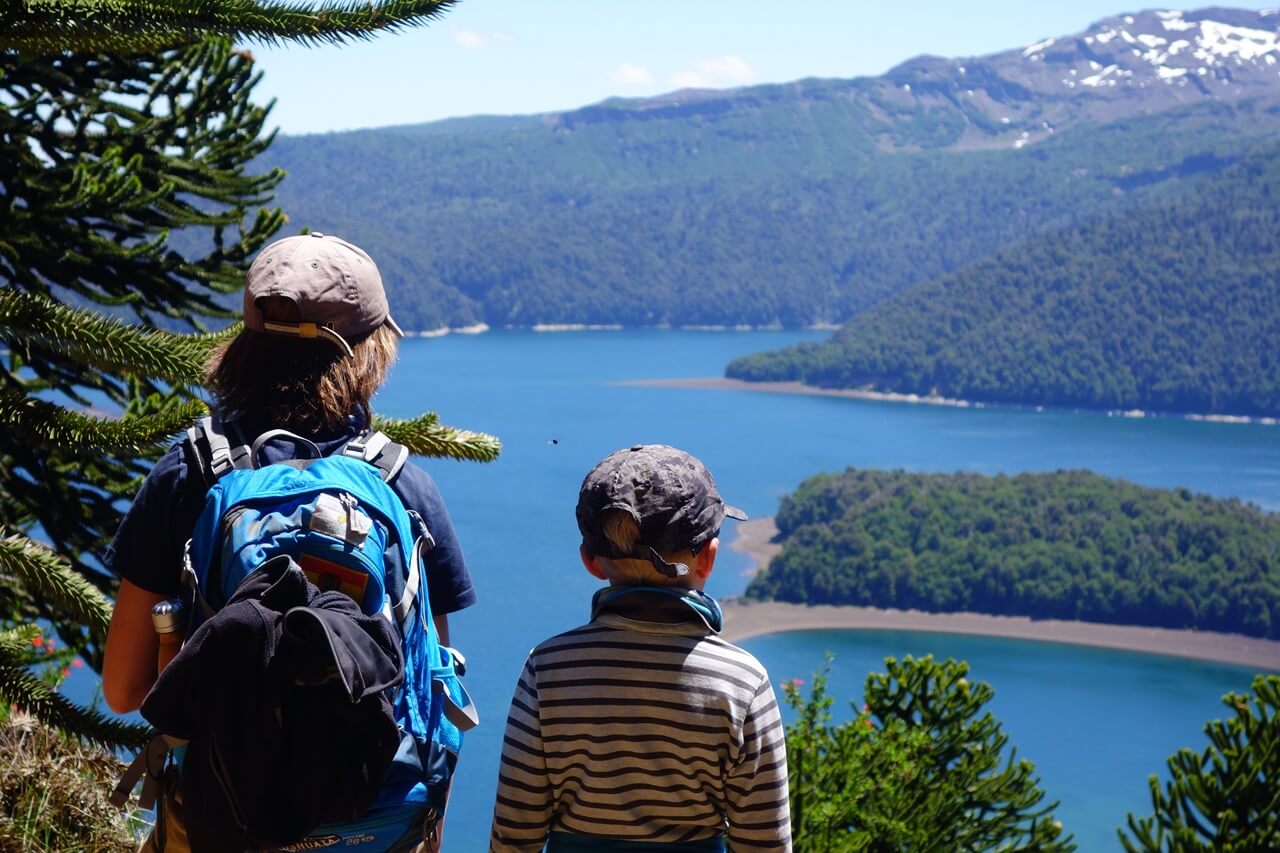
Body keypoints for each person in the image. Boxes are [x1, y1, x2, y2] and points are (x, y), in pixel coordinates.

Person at [102, 232, 475, 852]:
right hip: (375, 821)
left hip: (224, 817)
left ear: (246, 342)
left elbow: (122, 690)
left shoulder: (189, 475)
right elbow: (429, 686)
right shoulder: (402, 485)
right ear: (371, 352)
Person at [490, 444, 792, 852]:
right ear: (708, 559)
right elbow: (765, 842)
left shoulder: (549, 668)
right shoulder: (742, 680)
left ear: (591, 562)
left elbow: (515, 830)